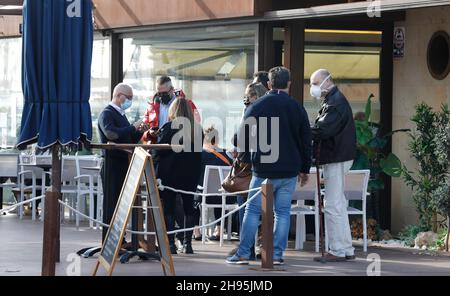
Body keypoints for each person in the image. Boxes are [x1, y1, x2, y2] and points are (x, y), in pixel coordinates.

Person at [226, 66, 312, 265]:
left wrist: (250, 152)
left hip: (263, 168)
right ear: (289, 84)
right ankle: (277, 255)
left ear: (269, 84)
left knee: (252, 211)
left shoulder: (257, 106)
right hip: (289, 169)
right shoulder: (297, 107)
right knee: (282, 212)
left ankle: (243, 253)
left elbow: (240, 138)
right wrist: (305, 168)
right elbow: (306, 140)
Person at [310, 69, 357, 262]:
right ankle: (345, 248)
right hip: (339, 156)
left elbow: (323, 130)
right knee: (338, 204)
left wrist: (301, 129)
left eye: (315, 83)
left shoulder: (335, 103)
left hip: (336, 157)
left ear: (327, 82)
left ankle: (337, 250)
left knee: (332, 205)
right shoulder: (334, 100)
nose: (312, 87)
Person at [98, 83, 149, 242]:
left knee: (122, 205)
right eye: (129, 98)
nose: (130, 101)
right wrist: (132, 128)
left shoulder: (120, 114)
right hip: (112, 165)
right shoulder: (107, 113)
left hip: (124, 163)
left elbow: (128, 140)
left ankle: (120, 239)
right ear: (119, 95)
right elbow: (111, 134)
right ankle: (110, 240)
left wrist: (139, 131)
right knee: (112, 204)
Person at [152, 98, 203, 255]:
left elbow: (159, 151)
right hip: (191, 173)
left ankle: (171, 245)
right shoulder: (197, 129)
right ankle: (188, 245)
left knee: (169, 207)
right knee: (189, 207)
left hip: (170, 174)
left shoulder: (169, 127)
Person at [194, 126, 233, 241]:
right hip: (225, 197)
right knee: (220, 193)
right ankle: (219, 230)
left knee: (193, 196)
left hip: (205, 196)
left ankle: (196, 231)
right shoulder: (227, 154)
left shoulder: (199, 154)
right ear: (217, 139)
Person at [143, 76, 200, 143]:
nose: (161, 96)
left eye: (164, 93)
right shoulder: (151, 107)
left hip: (178, 148)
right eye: (159, 93)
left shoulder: (187, 104)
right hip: (157, 148)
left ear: (172, 89)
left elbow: (196, 123)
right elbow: (142, 132)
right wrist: (149, 133)